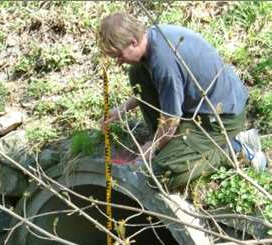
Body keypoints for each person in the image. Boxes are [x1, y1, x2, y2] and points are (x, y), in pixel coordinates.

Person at [98, 12, 266, 190]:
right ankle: (172, 147)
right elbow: (159, 87)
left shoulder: (164, 62)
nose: (118, 62)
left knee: (158, 176)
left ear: (133, 42)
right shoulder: (154, 37)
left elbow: (171, 120)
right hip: (197, 108)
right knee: (137, 72)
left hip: (221, 117)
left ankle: (236, 148)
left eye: (118, 56)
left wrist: (151, 146)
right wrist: (121, 109)